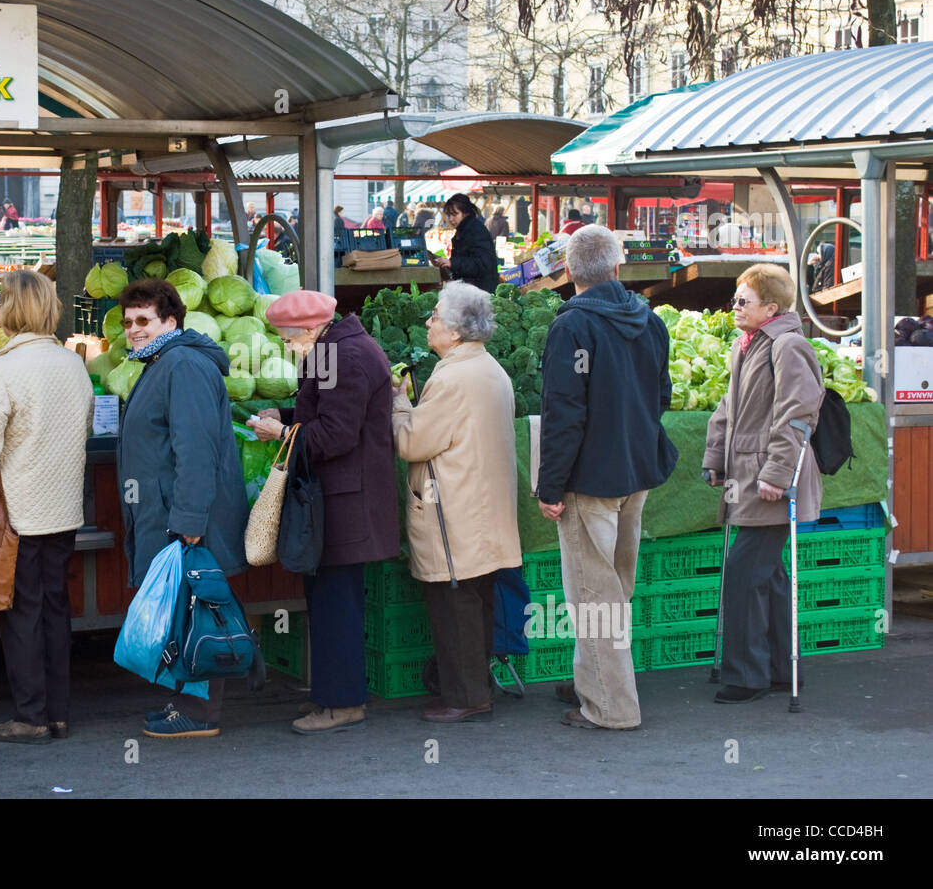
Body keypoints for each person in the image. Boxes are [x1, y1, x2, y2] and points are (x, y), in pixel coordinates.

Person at [537, 224, 677, 730]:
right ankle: (595, 684)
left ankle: (611, 707)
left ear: (568, 272)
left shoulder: (571, 328)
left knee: (596, 598)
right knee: (614, 589)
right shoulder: (649, 320)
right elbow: (661, 395)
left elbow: (563, 415)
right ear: (618, 269)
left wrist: (550, 487)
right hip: (635, 472)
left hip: (590, 480)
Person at [249, 290, 399, 734]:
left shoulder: (343, 356)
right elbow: (323, 411)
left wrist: (283, 432)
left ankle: (343, 703)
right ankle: (338, 697)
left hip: (345, 503)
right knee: (333, 601)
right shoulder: (337, 347)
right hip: (339, 499)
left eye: (289, 339)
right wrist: (287, 414)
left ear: (311, 329)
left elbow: (335, 435)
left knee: (336, 606)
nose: (287, 347)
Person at [0, 270, 94, 744]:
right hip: (63, 512)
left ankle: (30, 716)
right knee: (55, 608)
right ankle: (57, 713)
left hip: (15, 516)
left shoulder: (1, 368)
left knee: (21, 613)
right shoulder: (73, 364)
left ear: (9, 310)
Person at [116, 278, 249, 739]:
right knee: (187, 610)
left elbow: (195, 449)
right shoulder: (166, 361)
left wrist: (190, 521)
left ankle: (201, 713)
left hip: (188, 515)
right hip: (170, 509)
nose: (134, 329)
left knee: (198, 610)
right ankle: (188, 704)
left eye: (144, 321)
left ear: (170, 321)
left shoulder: (183, 365)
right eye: (128, 321)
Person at [392, 282, 522, 723]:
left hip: (454, 512)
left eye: (434, 316)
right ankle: (475, 689)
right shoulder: (491, 368)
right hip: (481, 508)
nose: (428, 323)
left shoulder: (451, 377)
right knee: (476, 598)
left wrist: (398, 403)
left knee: (455, 605)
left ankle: (466, 697)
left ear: (455, 330)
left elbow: (413, 443)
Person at [703, 264, 823, 704]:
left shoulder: (788, 346)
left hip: (768, 479)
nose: (735, 307)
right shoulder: (746, 345)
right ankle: (776, 668)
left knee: (744, 572)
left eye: (743, 300)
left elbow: (798, 414)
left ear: (771, 308)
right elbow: (727, 408)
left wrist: (776, 474)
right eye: (735, 299)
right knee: (767, 574)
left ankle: (747, 675)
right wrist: (715, 456)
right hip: (746, 475)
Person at [431, 193, 498, 294]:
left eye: (455, 214)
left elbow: (483, 264)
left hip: (481, 293)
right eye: (449, 215)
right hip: (472, 291)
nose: (450, 219)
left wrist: (453, 263)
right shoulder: (463, 230)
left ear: (466, 213)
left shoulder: (476, 230)